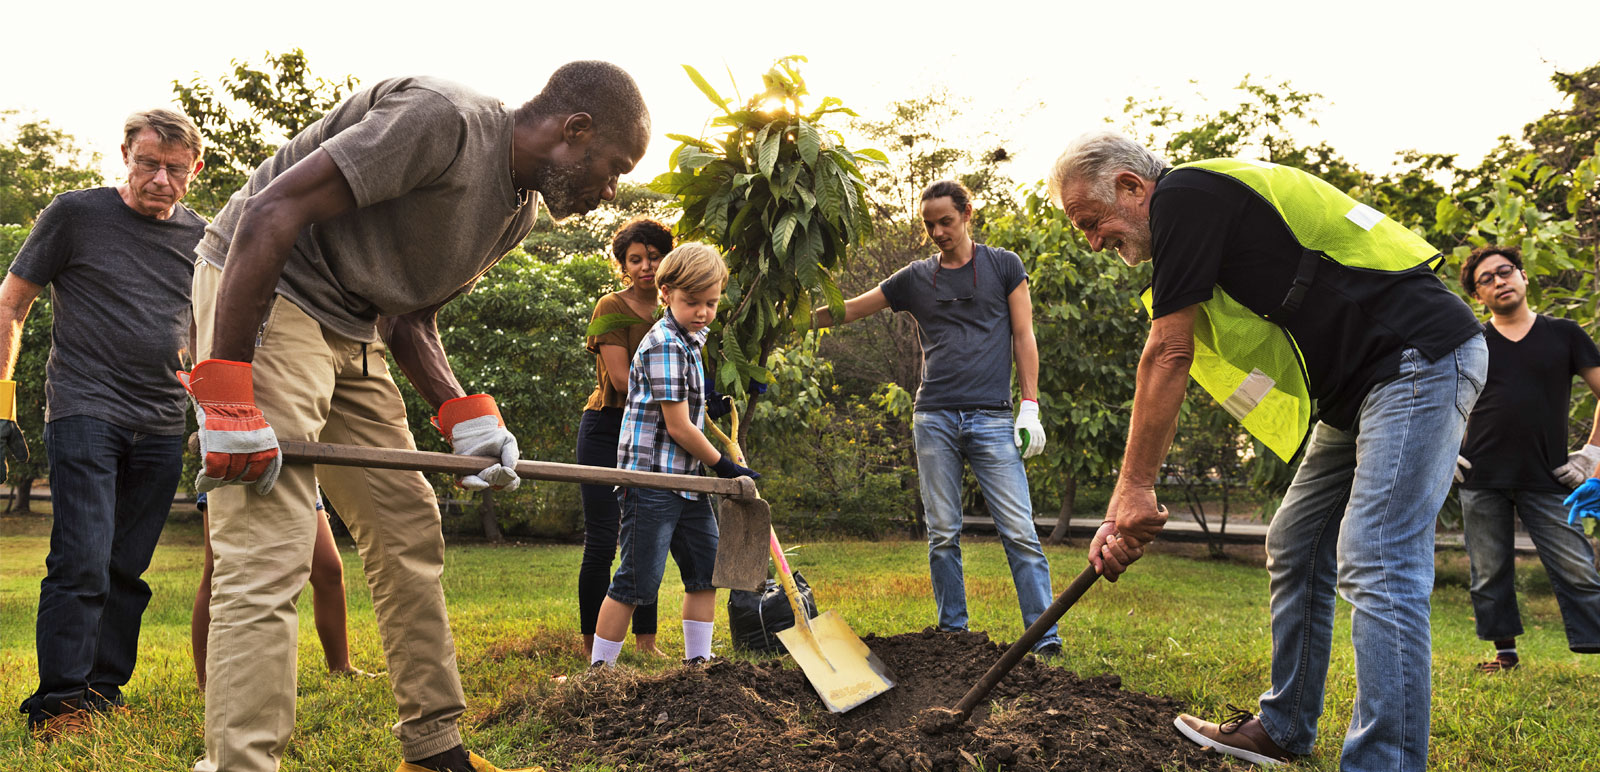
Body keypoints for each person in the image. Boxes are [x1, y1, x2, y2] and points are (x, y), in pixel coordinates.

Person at [185, 63, 648, 772]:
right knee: (269, 544)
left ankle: (434, 751)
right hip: (270, 294)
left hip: (355, 324)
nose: (612, 190)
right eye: (613, 167)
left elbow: (409, 316)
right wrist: (227, 389)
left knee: (407, 526)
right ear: (573, 130)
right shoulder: (444, 120)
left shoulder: (515, 212)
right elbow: (269, 212)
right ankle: (241, 764)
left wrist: (465, 414)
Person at [1048, 132, 1485, 771]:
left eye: (1093, 222)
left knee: (1377, 556)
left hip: (1414, 358)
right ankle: (1282, 728)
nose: (1094, 242)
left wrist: (1132, 489)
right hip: (1357, 391)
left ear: (1132, 187)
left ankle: (1384, 763)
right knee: (1298, 541)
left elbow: (1169, 353)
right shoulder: (1195, 226)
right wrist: (1130, 492)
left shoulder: (1188, 196)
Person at [6, 109, 206, 742]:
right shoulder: (75, 213)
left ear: (194, 171)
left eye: (176, 169)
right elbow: (12, 302)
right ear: (125, 154)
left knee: (127, 566)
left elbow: (206, 327)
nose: (161, 179)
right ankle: (59, 702)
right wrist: (0, 401)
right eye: (149, 163)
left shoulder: (202, 237)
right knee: (82, 555)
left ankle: (101, 690)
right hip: (84, 408)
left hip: (162, 419)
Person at [810, 179, 1060, 656]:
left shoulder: (1004, 266)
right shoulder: (914, 278)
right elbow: (852, 309)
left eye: (946, 221)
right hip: (935, 418)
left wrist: (1030, 404)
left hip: (991, 418)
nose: (938, 232)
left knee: (1020, 533)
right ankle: (953, 635)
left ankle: (1044, 639)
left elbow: (1024, 336)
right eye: (929, 225)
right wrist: (797, 319)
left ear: (968, 213)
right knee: (943, 533)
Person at [589, 243, 757, 668]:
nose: (702, 312)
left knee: (705, 571)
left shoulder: (690, 339)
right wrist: (723, 466)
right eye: (692, 302)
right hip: (653, 481)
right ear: (665, 294)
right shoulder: (665, 342)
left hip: (686, 481)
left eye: (711, 303)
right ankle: (600, 671)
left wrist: (710, 404)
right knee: (635, 580)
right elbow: (679, 426)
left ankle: (697, 663)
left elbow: (685, 409)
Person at [1453, 244, 1600, 672]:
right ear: (1477, 296)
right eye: (1487, 279)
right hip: (1480, 477)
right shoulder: (1471, 342)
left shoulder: (1565, 334)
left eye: (1505, 271)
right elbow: (1443, 401)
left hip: (1551, 477)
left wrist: (1591, 455)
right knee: (1488, 574)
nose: (1499, 281)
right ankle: (1505, 654)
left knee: (1579, 570)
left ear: (1523, 277)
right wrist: (1445, 454)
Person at [576, 217, 672, 659]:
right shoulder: (610, 306)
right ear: (623, 266)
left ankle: (646, 643)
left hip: (656, 431)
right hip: (607, 427)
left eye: (653, 256)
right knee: (602, 541)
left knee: (648, 537)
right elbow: (620, 377)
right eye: (636, 259)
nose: (646, 266)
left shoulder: (678, 309)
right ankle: (592, 643)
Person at [191, 490, 378, 689]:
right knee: (216, 571)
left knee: (329, 569)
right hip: (236, 470)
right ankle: (206, 682)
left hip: (297, 475)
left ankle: (341, 667)